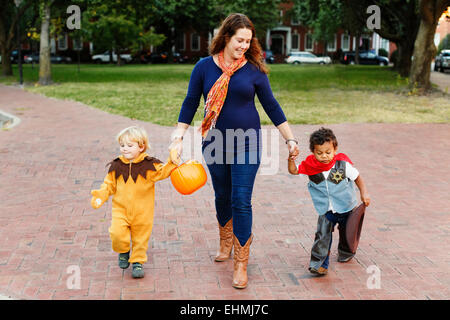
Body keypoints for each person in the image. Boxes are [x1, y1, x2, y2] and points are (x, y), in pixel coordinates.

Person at [169, 13, 300, 289]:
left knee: (241, 199)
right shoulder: (203, 67)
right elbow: (191, 101)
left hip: (248, 142)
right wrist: (178, 136)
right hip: (215, 143)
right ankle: (225, 240)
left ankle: (241, 262)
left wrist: (290, 140)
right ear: (226, 36)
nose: (243, 45)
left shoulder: (253, 69)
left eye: (248, 41)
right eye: (239, 40)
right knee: (222, 196)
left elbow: (271, 105)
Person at [90, 126, 180, 278]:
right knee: (117, 233)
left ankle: (138, 262)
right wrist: (101, 195)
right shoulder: (116, 166)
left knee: (140, 238)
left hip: (143, 212)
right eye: (122, 145)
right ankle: (123, 250)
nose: (124, 149)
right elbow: (108, 185)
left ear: (141, 146)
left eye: (129, 146)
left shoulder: (149, 165)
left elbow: (163, 171)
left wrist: (172, 160)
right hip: (121, 210)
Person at [288, 127, 370, 276]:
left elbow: (357, 177)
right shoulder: (310, 166)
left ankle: (346, 251)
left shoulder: (342, 165)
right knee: (322, 235)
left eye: (328, 152)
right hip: (325, 209)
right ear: (313, 151)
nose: (324, 156)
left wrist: (364, 193)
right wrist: (291, 160)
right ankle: (319, 264)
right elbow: (294, 171)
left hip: (346, 206)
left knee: (347, 232)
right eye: (319, 153)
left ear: (335, 149)